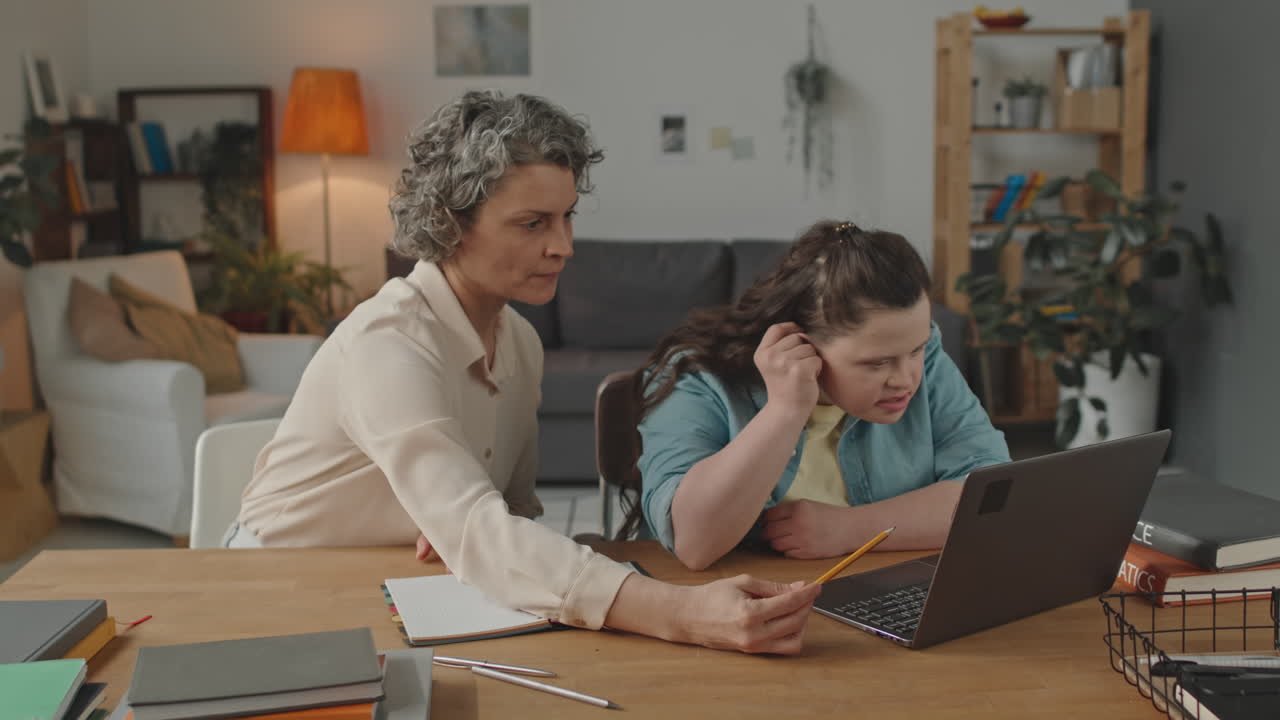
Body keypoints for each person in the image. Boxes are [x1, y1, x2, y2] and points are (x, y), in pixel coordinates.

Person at [231, 90, 820, 654]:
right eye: (533, 223)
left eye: (567, 217)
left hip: (407, 585)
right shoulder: (387, 344)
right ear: (450, 222)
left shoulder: (518, 341)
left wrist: (470, 531)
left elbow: (507, 518)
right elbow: (482, 533)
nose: (563, 245)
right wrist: (683, 613)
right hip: (276, 591)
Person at [632, 221, 1011, 571]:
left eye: (916, 350)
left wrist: (850, 529)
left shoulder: (920, 358)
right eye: (876, 363)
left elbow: (994, 498)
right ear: (801, 344)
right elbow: (695, 543)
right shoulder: (698, 377)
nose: (907, 379)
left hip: (877, 593)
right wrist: (785, 410)